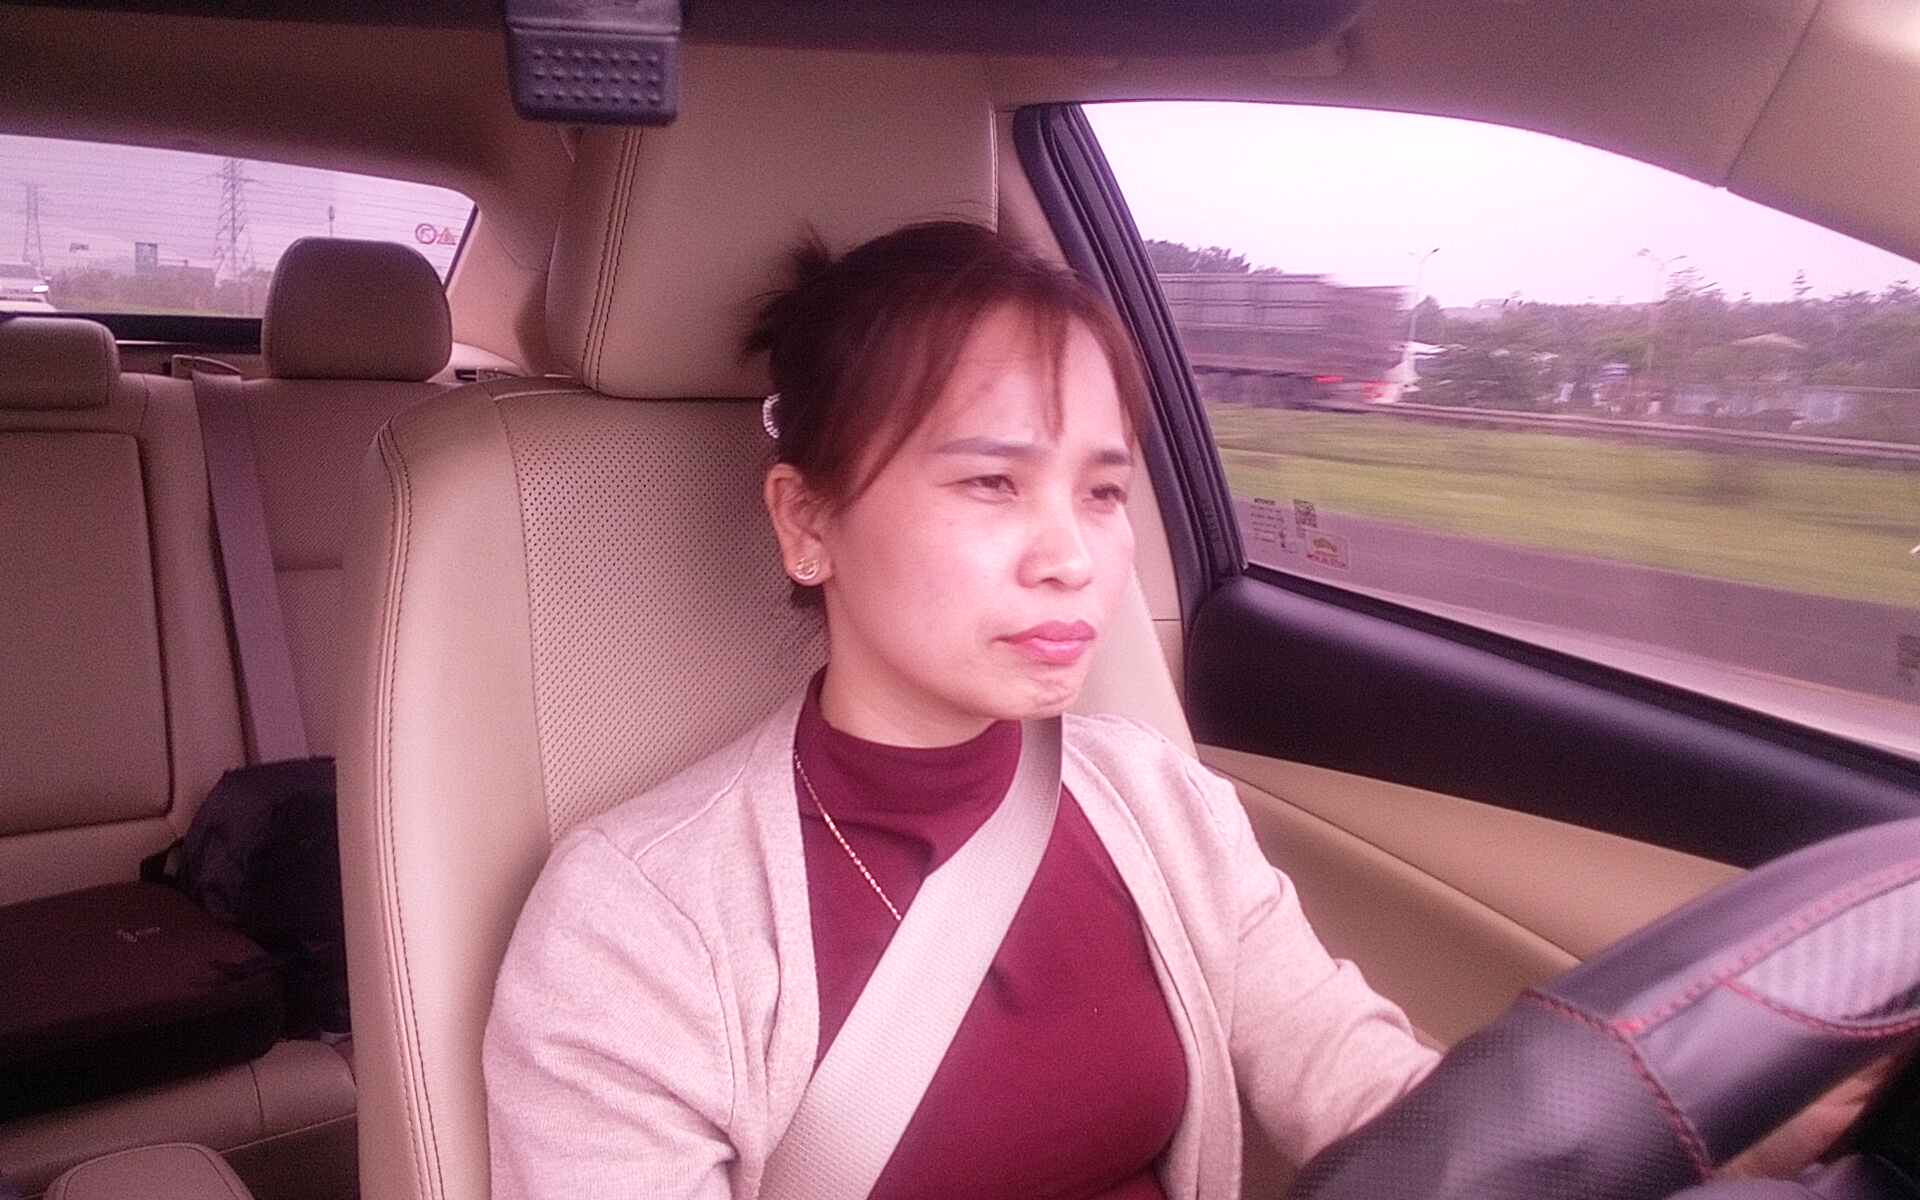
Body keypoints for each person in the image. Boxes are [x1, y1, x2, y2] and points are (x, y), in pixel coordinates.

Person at [481, 221, 1876, 1199]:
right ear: (807, 524)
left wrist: (1741, 1125)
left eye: (1100, 490)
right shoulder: (638, 922)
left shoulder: (1155, 803)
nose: (1074, 556)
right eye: (990, 482)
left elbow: (1374, 1101)